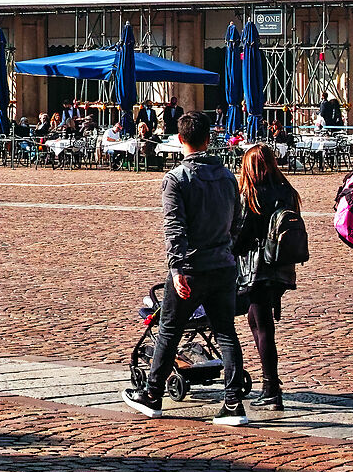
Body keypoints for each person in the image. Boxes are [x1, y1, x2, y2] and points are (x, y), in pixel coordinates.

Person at [124, 113, 251, 425]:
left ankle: (152, 394)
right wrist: (226, 248)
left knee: (169, 329)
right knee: (225, 332)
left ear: (180, 140)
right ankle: (233, 402)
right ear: (209, 139)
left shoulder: (176, 178)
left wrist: (178, 268)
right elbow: (237, 220)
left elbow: (174, 228)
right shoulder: (227, 176)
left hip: (191, 268)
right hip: (222, 265)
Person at [232, 144, 302, 412]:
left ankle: (271, 388)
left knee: (263, 328)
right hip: (281, 267)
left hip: (257, 269)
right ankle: (271, 385)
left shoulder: (250, 195)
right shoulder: (287, 192)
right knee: (256, 320)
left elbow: (239, 235)